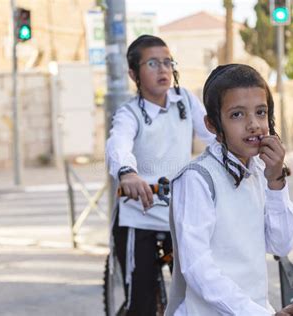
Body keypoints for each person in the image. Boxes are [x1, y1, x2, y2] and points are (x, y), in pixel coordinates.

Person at [166, 64, 293, 316]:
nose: (253, 125)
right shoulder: (198, 179)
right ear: (212, 124)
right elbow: (197, 267)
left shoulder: (260, 173)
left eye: (261, 112)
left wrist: (276, 182)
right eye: (237, 115)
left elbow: (281, 245)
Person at [105, 34, 214, 316]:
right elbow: (119, 144)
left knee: (199, 293)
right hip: (137, 218)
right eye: (152, 63)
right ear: (133, 73)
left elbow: (212, 137)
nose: (163, 69)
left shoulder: (185, 101)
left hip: (178, 216)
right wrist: (127, 174)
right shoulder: (129, 113)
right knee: (140, 305)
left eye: (167, 62)